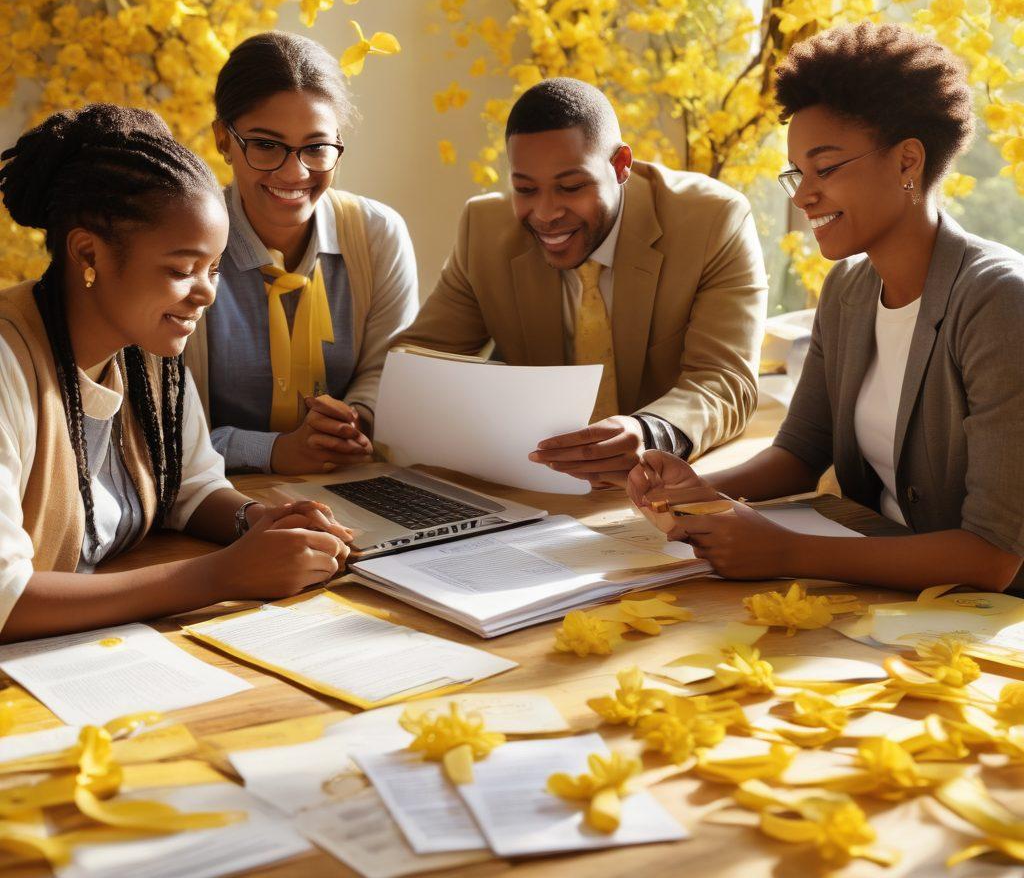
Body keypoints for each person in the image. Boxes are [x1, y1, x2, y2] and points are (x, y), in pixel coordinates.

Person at [628, 22, 1024, 593]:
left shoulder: (997, 301)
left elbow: (992, 556)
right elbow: (800, 450)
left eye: (827, 167)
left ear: (907, 161)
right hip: (886, 590)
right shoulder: (848, 289)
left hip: (988, 623)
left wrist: (786, 551)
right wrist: (698, 490)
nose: (802, 193)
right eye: (796, 172)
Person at [0, 104, 353, 642]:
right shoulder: (9, 360)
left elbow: (189, 485)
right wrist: (225, 574)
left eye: (212, 268)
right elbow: (6, 598)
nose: (208, 292)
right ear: (87, 252)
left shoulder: (148, 357)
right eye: (180, 270)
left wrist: (255, 521)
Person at [396, 77, 767, 486]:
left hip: (661, 486)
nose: (546, 212)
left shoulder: (713, 220)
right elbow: (415, 362)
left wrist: (650, 431)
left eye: (571, 187)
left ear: (620, 165)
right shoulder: (483, 229)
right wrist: (358, 416)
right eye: (525, 189)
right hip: (540, 489)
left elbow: (725, 381)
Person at [186, 31, 418, 475]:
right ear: (222, 139)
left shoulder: (376, 235)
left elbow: (387, 369)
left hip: (349, 484)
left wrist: (356, 421)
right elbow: (155, 424)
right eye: (266, 145)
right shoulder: (182, 246)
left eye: (316, 147)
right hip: (210, 499)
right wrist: (272, 451)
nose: (295, 172)